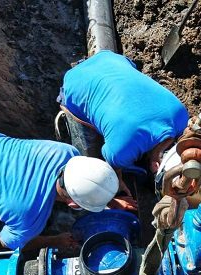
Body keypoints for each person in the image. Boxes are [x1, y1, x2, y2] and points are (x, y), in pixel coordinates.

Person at [0, 128, 119, 253]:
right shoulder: (29, 217)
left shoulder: (68, 152)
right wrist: (54, 240)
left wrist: (109, 197)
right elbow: (6, 244)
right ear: (72, 203)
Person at [56, 50, 189, 196]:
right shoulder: (120, 152)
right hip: (75, 81)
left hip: (110, 59)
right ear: (156, 165)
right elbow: (112, 167)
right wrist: (118, 182)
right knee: (90, 143)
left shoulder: (181, 116)